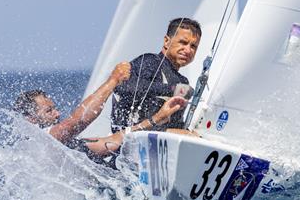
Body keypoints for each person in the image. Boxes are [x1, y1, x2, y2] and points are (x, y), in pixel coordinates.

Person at [14, 62, 188, 168]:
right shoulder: (40, 141)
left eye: (55, 108)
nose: (57, 113)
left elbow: (111, 142)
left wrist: (155, 119)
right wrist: (113, 80)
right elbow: (76, 123)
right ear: (31, 119)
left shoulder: (66, 145)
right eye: (48, 111)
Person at [111, 17, 201, 133]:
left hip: (155, 140)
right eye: (183, 42)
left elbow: (175, 124)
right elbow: (122, 87)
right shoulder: (150, 62)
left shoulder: (182, 81)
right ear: (166, 41)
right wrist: (172, 89)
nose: (188, 50)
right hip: (126, 139)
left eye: (193, 46)